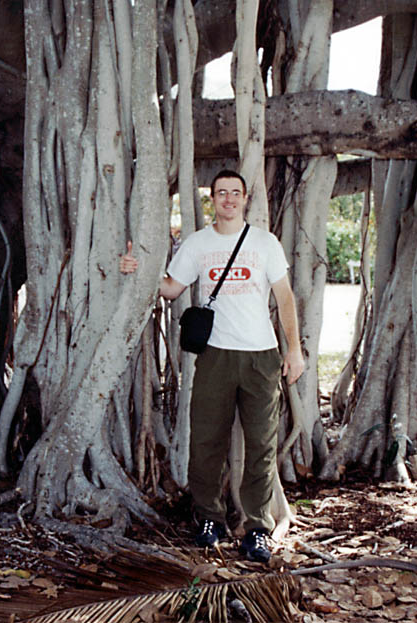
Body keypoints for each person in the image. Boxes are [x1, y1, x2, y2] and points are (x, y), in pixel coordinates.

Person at [119, 169, 304, 563]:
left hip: (261, 356)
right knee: (206, 444)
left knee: (261, 446)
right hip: (215, 356)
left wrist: (295, 350)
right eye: (222, 193)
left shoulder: (264, 242)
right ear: (213, 200)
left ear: (244, 199)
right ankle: (209, 519)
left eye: (235, 193)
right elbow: (172, 288)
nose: (229, 199)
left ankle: (256, 528)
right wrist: (140, 271)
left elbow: (285, 298)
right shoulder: (198, 244)